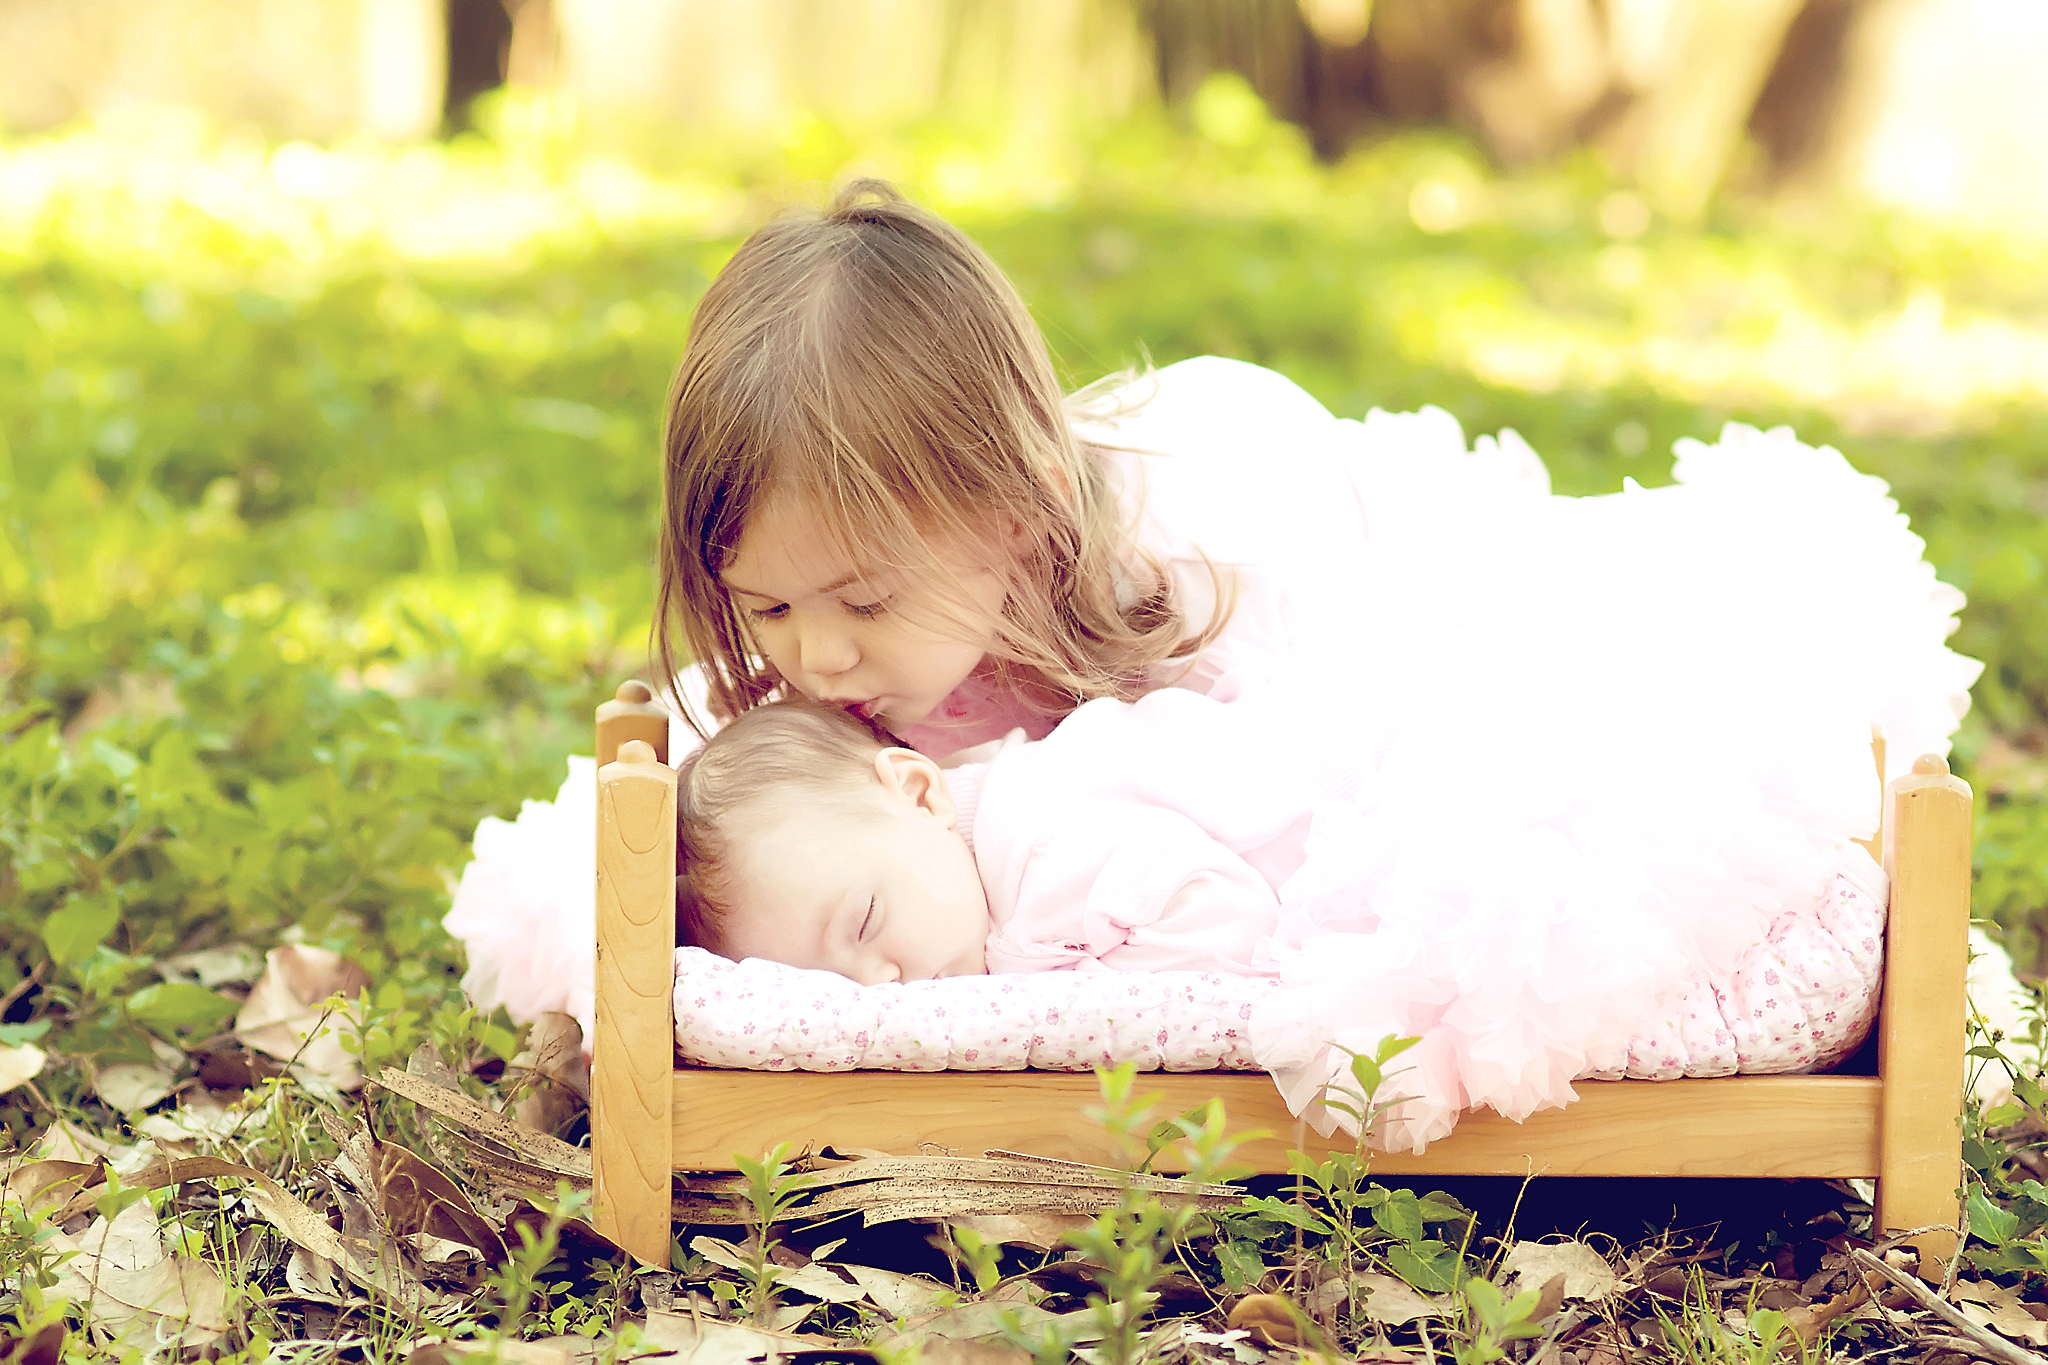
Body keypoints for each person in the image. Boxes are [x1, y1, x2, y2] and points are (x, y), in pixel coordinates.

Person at [444, 181, 1984, 1093]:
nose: (819, 658)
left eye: (857, 601)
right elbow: (750, 781)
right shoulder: (849, 667)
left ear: (1005, 510)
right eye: (770, 605)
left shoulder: (1201, 539)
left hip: (1373, 621)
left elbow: (1324, 789)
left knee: (1588, 807)